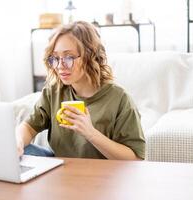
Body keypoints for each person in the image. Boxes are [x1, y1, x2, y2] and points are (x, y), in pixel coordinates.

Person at [16, 21, 145, 160]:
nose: (60, 66)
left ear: (90, 56)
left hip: (101, 174)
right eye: (55, 58)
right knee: (20, 149)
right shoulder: (54, 91)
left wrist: (90, 133)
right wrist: (17, 141)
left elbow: (135, 158)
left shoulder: (120, 99)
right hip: (61, 168)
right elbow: (29, 127)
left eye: (69, 57)